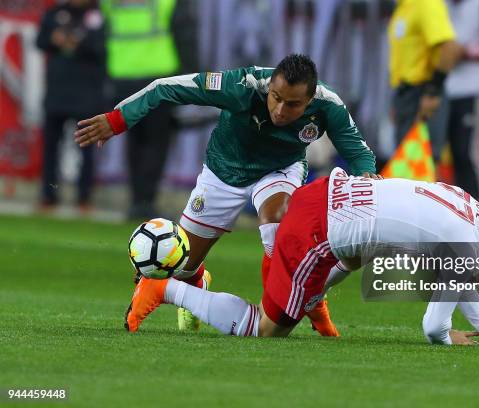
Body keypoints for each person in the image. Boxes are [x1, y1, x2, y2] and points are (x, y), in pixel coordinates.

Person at [74, 54, 379, 336]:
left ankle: (286, 307)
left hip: (278, 172)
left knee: (278, 221)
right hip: (222, 173)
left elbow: (359, 154)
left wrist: (368, 179)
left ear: (310, 99)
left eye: (293, 105)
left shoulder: (329, 105)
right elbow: (164, 87)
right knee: (183, 267)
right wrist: (117, 119)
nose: (280, 110)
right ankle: (197, 283)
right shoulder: (241, 86)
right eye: (276, 98)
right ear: (269, 86)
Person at [124, 167, 479, 348]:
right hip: (317, 232)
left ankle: (312, 301)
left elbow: (460, 281)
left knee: (365, 251)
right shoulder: (466, 250)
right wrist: (448, 337)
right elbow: (433, 325)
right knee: (266, 329)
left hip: (324, 192)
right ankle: (166, 288)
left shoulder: (473, 210)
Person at [100, 0, 197, 220]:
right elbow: (185, 36)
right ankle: (146, 201)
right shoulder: (166, 2)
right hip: (158, 79)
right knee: (156, 142)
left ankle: (137, 201)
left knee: (134, 142)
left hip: (121, 76)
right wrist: (190, 77)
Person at [427, 0, 479, 204]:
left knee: (465, 154)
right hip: (443, 89)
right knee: (431, 154)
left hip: (472, 89)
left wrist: (467, 51)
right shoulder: (437, 4)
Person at [36, 0, 106, 211]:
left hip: (86, 93)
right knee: (50, 146)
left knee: (86, 147)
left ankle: (84, 197)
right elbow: (40, 41)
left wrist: (78, 42)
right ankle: (48, 194)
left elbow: (102, 48)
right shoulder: (55, 13)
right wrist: (54, 39)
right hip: (57, 91)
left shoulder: (98, 15)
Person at [387, 0, 465, 147]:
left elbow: (449, 48)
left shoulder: (426, 3)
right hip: (405, 95)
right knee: (405, 163)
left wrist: (433, 91)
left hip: (422, 95)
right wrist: (397, 100)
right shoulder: (403, 6)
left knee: (420, 163)